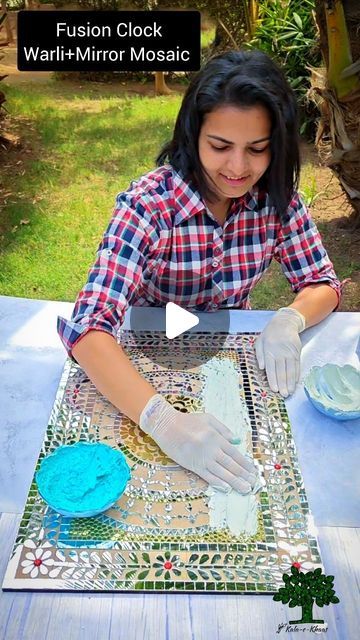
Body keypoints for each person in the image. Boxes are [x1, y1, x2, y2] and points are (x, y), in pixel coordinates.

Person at [58, 49, 341, 496]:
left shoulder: (277, 200)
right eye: (220, 146)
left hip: (233, 365)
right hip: (143, 367)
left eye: (257, 149)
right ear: (193, 135)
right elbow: (88, 328)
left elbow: (322, 283)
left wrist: (289, 320)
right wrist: (163, 421)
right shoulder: (149, 206)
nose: (237, 168)